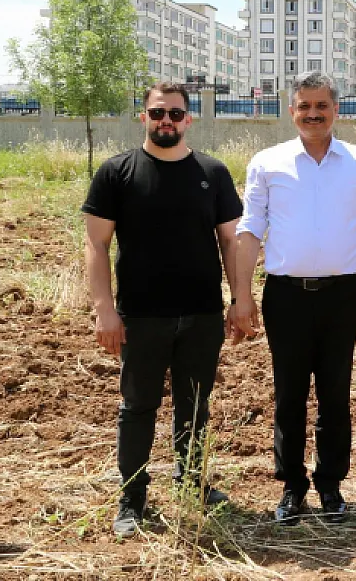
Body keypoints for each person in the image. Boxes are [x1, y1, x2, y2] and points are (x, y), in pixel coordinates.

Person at [81, 81, 243, 538]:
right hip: (140, 316)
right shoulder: (116, 173)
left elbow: (229, 241)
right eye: (157, 114)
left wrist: (240, 299)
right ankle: (132, 496)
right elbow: (97, 245)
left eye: (174, 113)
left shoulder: (213, 171)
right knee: (137, 407)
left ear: (188, 119)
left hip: (202, 314)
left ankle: (192, 483)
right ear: (144, 118)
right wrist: (104, 311)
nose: (165, 121)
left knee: (195, 406)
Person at [231, 71, 356, 525]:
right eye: (304, 106)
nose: (313, 114)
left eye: (321, 106)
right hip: (285, 296)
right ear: (292, 111)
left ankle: (331, 485)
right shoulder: (267, 162)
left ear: (336, 110)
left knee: (336, 394)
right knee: (289, 395)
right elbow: (249, 232)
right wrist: (241, 296)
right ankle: (292, 487)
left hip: (341, 295)